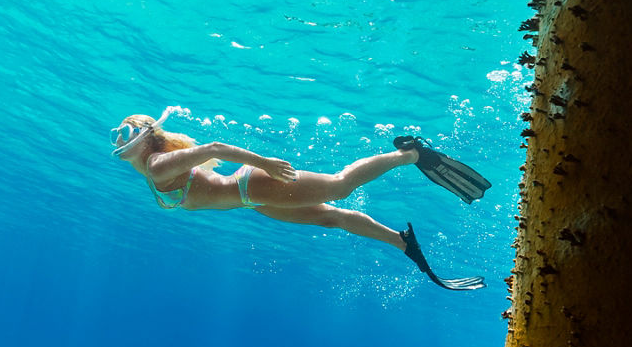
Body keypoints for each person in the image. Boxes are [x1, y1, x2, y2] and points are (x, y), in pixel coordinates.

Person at [109, 108, 491, 291]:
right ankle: (401, 241)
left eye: (125, 131)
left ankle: (411, 154)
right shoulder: (153, 169)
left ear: (145, 138)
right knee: (332, 218)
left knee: (340, 186)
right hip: (253, 200)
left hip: (253, 186)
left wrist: (266, 164)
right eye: (118, 134)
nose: (118, 137)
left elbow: (214, 147)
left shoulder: (158, 166)